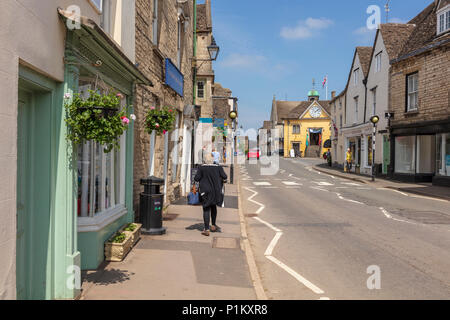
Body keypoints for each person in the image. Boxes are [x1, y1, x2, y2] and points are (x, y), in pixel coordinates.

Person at [194, 154, 227, 236]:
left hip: (205, 191)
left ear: (205, 160)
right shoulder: (218, 167)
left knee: (206, 209)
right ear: (213, 160)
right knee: (213, 206)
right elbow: (225, 176)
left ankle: (206, 229)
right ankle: (213, 225)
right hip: (216, 191)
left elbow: (196, 178)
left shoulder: (201, 168)